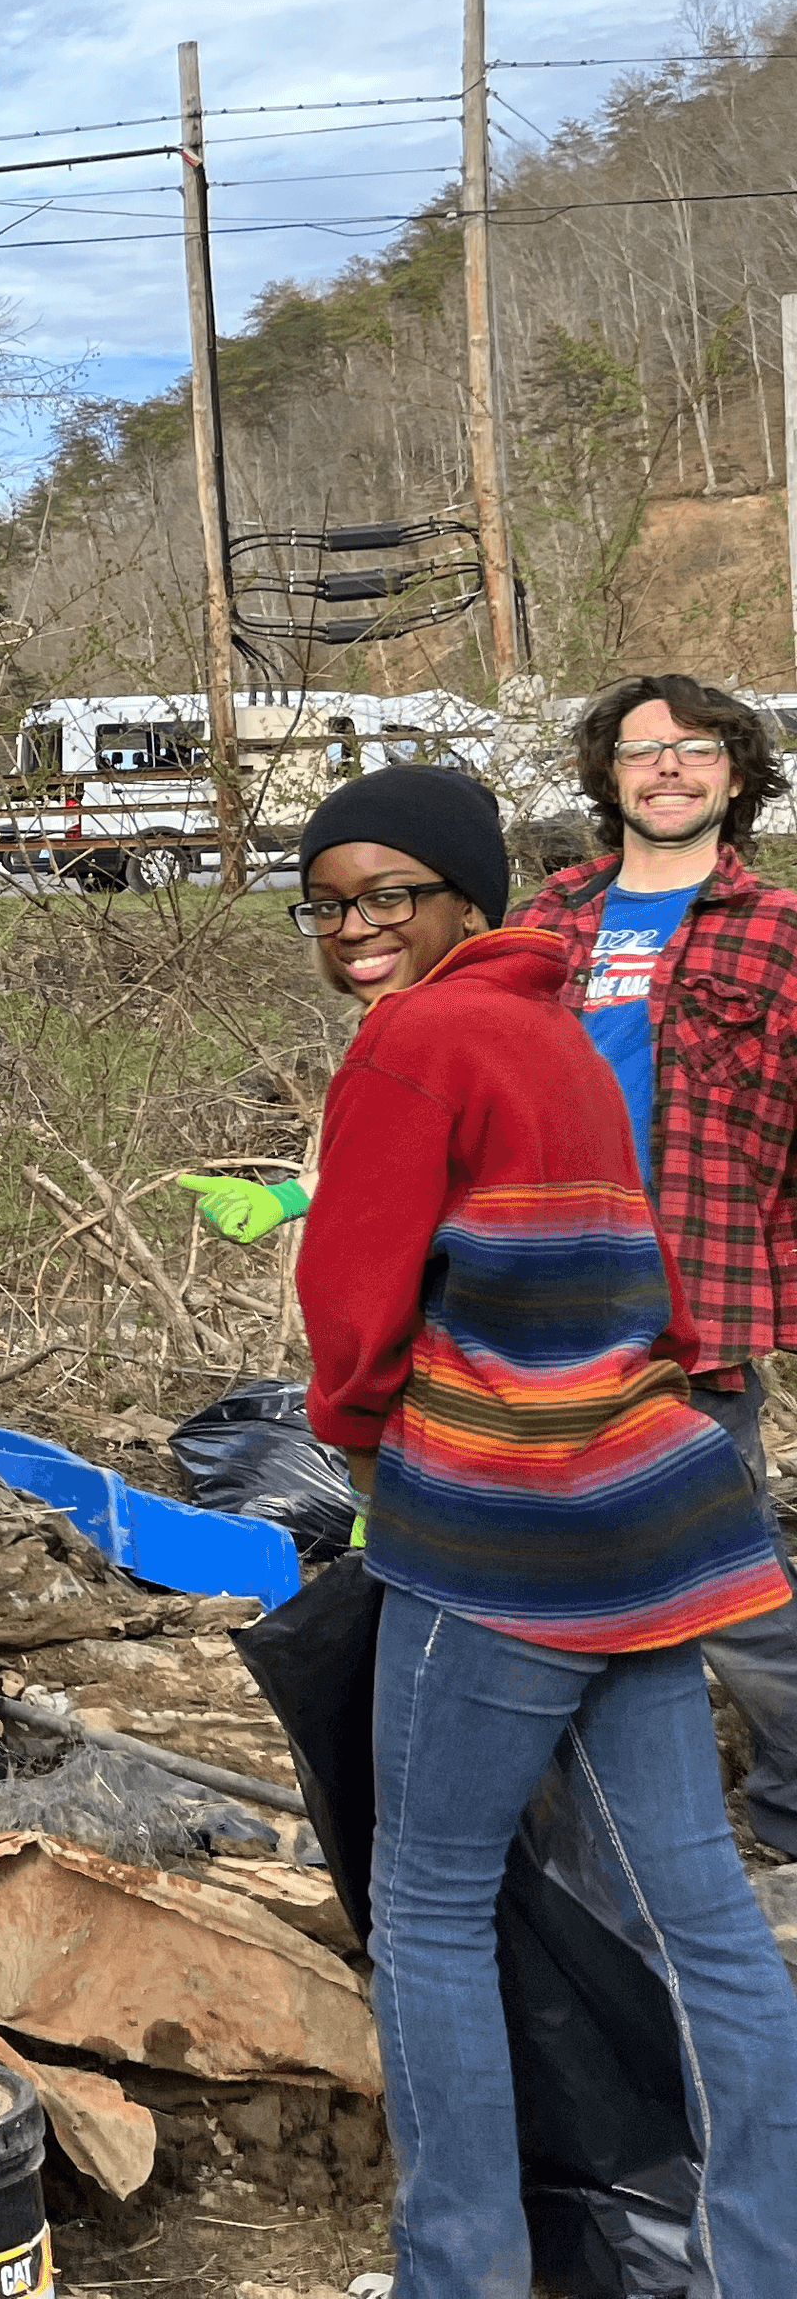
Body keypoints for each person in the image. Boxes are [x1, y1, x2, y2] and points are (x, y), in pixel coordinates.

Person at [283, 761, 797, 2293]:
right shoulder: (552, 1033)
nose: (355, 928)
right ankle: (757, 2259)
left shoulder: (414, 1042)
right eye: (326, 904)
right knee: (698, 1907)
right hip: (638, 1521)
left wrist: (367, 1449)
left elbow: (352, 1318)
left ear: (466, 900)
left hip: (500, 1531)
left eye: (391, 896)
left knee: (427, 1909)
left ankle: (461, 2268)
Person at [509, 676, 797, 1858]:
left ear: (736, 774)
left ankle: (787, 1790)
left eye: (694, 750)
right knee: (539, 1562)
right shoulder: (552, 918)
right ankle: (567, 1802)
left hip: (696, 1301)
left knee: (723, 1578)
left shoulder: (778, 930)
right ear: (608, 775)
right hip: (542, 1290)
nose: (667, 769)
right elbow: (481, 1086)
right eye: (643, 752)